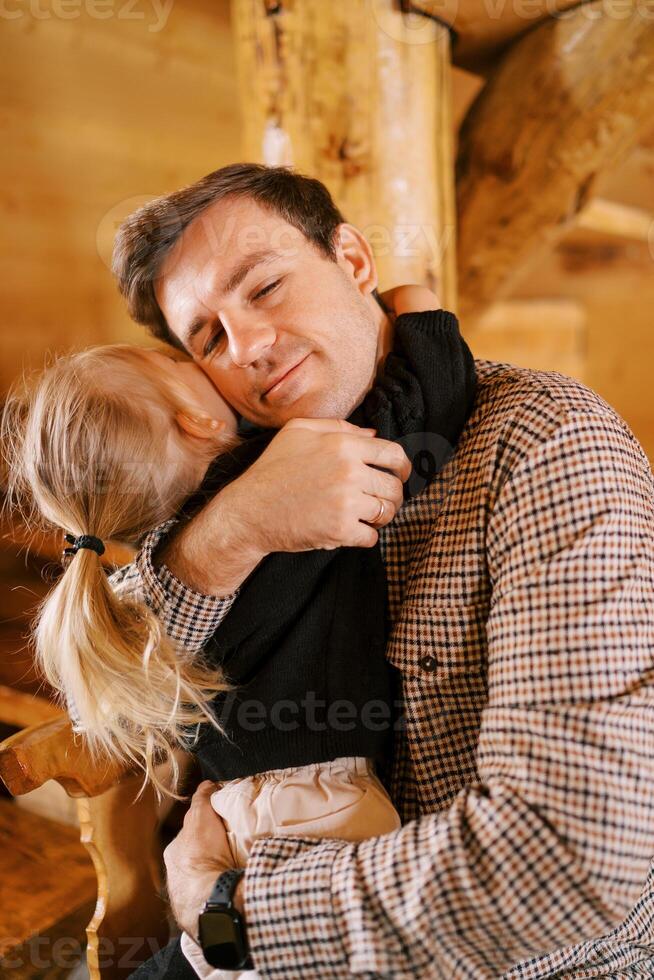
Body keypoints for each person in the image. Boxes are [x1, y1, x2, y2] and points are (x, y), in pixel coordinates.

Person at [107, 162, 654, 979]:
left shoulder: (543, 444)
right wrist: (235, 529)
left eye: (264, 287)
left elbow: (566, 858)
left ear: (355, 261)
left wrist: (234, 912)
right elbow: (117, 667)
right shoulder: (238, 472)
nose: (248, 345)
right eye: (210, 337)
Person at [2, 280, 477, 977]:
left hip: (234, 813)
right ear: (196, 424)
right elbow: (419, 413)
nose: (202, 361)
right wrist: (422, 311)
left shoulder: (155, 548)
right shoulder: (285, 482)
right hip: (322, 816)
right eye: (179, 358)